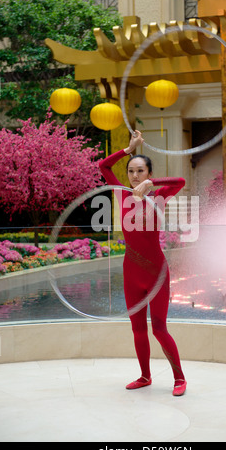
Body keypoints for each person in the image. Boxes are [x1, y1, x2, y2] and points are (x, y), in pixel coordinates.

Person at [99, 130, 187, 396]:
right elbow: (102, 166)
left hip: (156, 272)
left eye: (140, 171)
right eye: (131, 171)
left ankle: (179, 378)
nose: (135, 176)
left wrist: (151, 184)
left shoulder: (158, 196)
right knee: (138, 329)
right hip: (131, 272)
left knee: (159, 328)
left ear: (148, 173)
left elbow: (181, 180)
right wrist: (128, 149)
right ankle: (145, 376)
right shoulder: (122, 195)